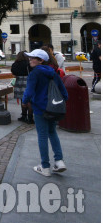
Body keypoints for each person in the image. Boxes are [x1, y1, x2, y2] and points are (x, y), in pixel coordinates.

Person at [22, 49, 68, 177]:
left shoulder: (34, 73)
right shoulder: (52, 72)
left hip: (40, 108)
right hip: (54, 107)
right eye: (30, 58)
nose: (30, 60)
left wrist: (24, 102)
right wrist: (62, 101)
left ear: (41, 60)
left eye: (33, 58)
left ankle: (45, 166)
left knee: (42, 136)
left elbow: (29, 91)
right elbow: (63, 91)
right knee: (52, 133)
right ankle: (59, 161)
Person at [11, 51, 33, 124]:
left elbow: (13, 73)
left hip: (19, 82)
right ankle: (30, 117)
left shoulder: (15, 64)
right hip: (28, 81)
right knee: (29, 100)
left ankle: (23, 116)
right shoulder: (29, 64)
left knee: (22, 100)